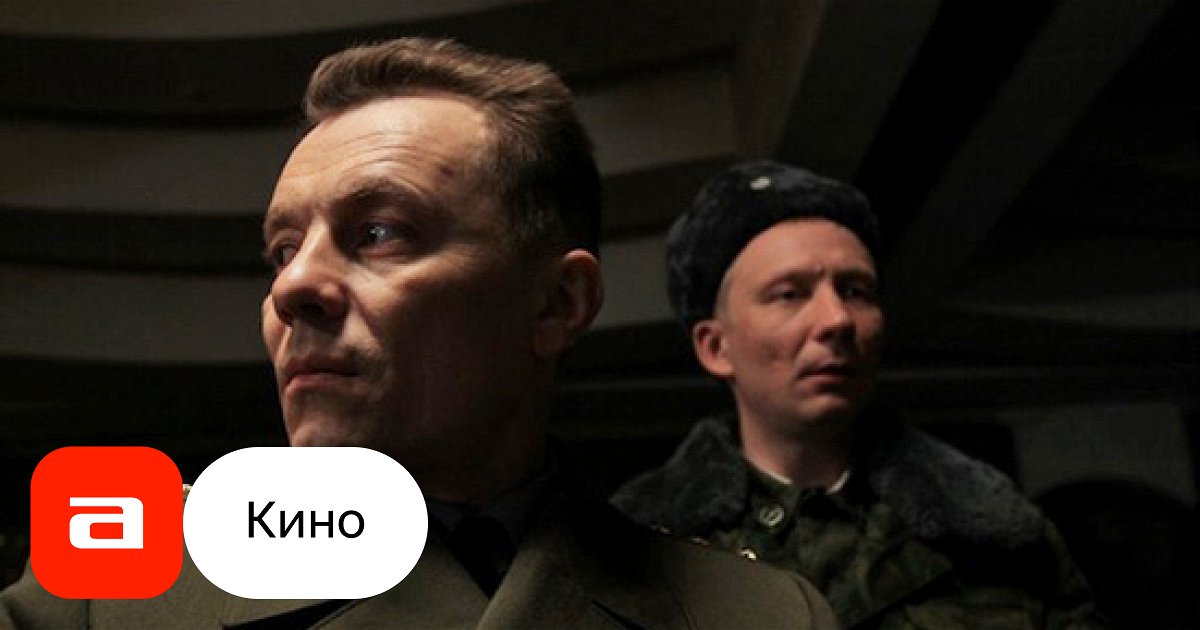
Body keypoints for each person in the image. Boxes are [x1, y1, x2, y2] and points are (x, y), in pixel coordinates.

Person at [0, 40, 837, 628]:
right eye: (283, 249)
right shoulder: (110, 590)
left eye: (379, 233)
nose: (291, 288)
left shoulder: (764, 615)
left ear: (557, 304)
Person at [611, 160, 1105, 629]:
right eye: (790, 293)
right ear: (716, 347)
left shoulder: (998, 533)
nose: (837, 320)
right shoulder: (633, 551)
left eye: (855, 291)